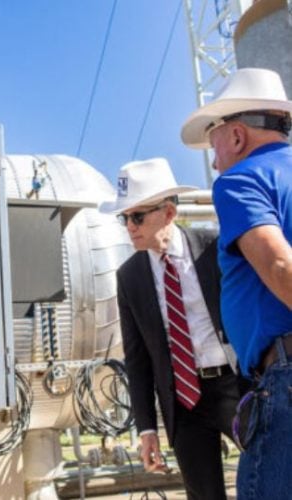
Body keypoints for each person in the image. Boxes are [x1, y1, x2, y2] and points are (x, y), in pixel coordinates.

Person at [100, 158, 242, 500]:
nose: (129, 227)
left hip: (234, 388)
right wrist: (147, 428)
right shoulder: (130, 276)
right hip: (183, 403)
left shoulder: (214, 249)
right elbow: (136, 360)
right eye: (125, 218)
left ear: (168, 213)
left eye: (137, 216)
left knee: (272, 478)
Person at [181, 67, 292, 499]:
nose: (214, 161)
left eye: (215, 146)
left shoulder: (240, 181)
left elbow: (280, 265)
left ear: (238, 137)